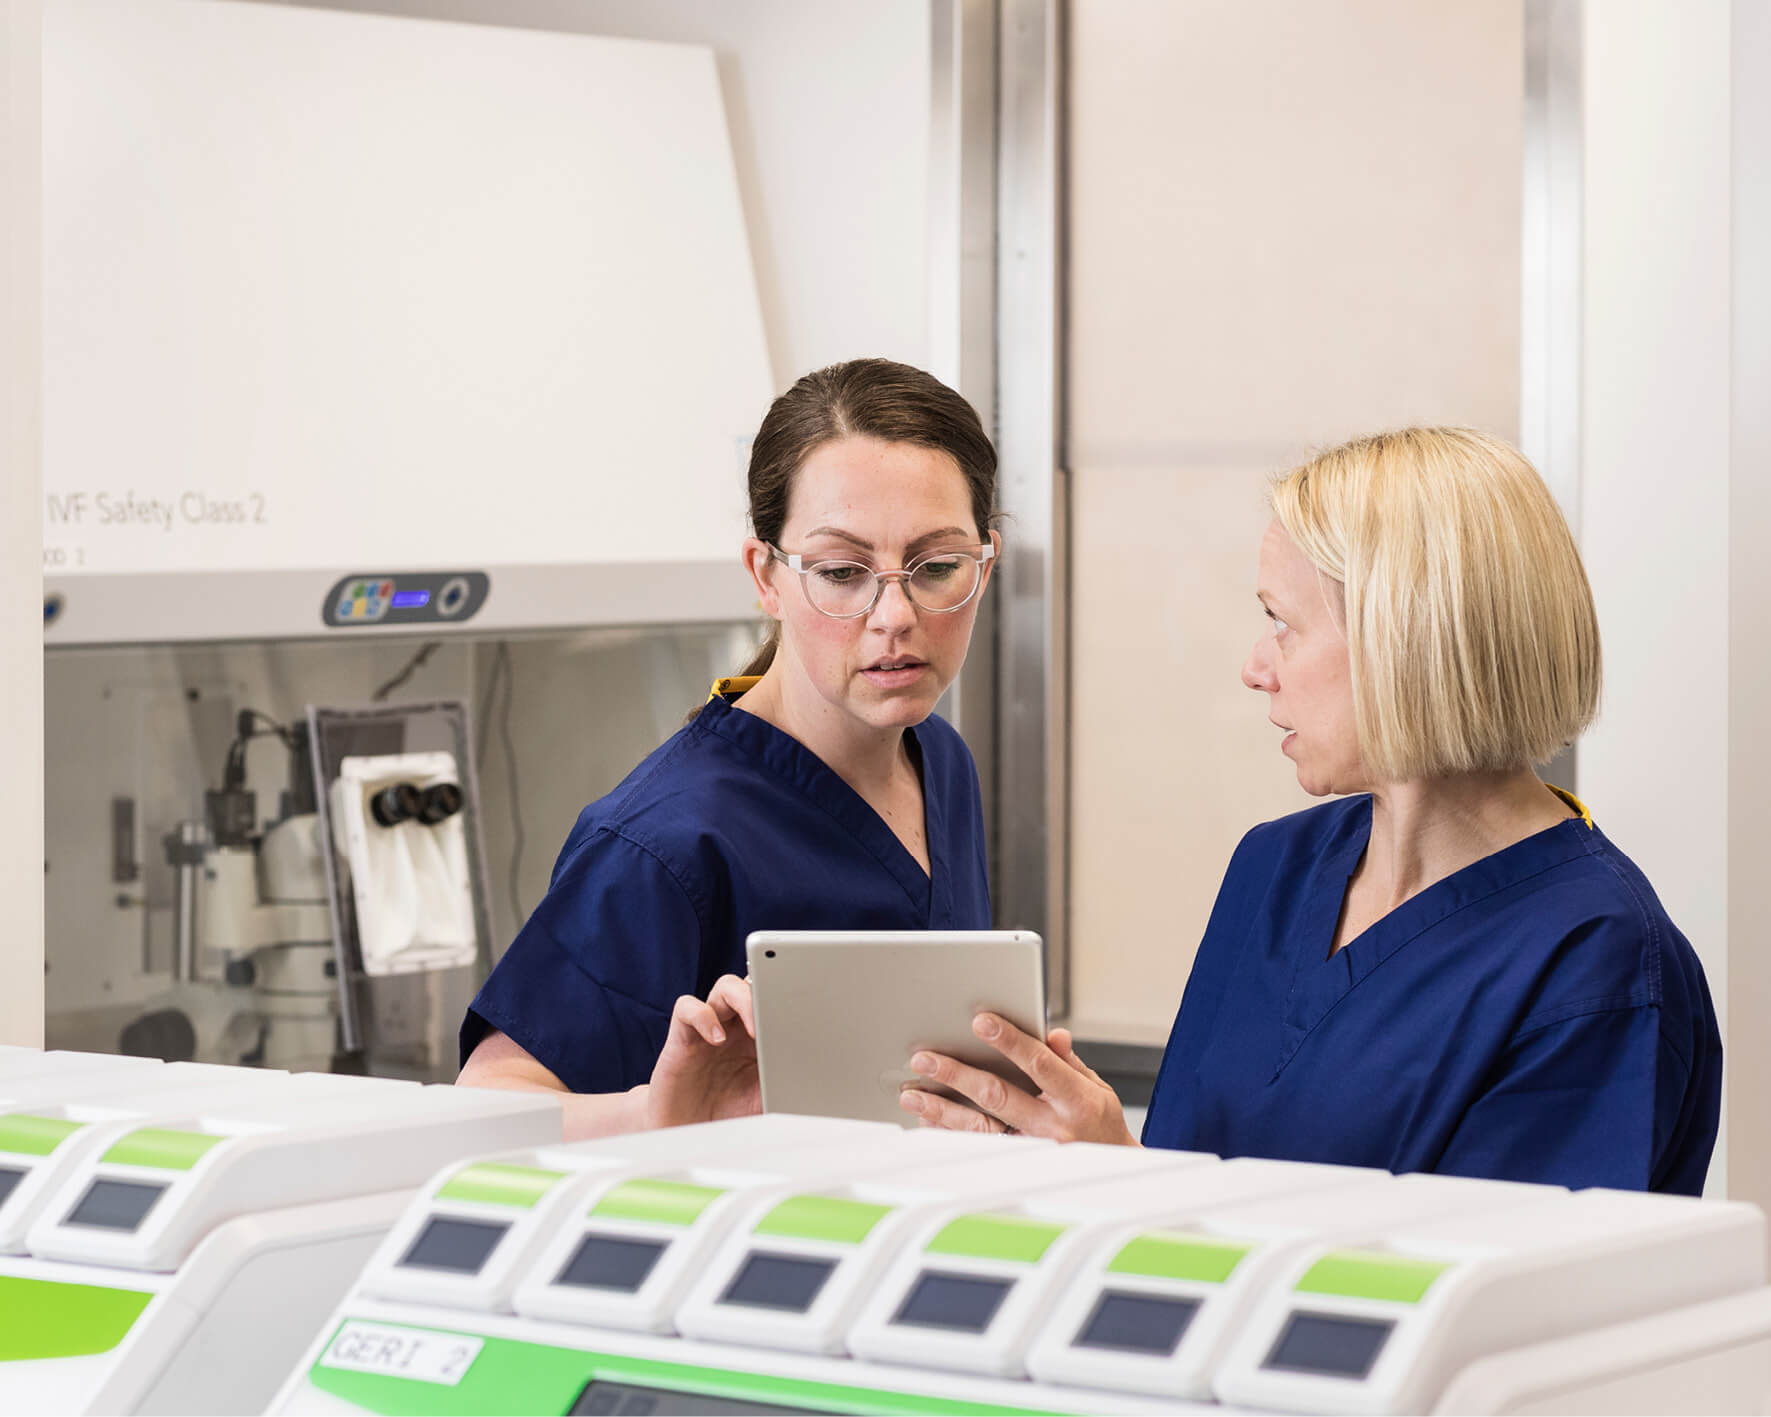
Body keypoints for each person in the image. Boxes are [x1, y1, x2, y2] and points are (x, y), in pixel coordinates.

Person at [904, 427, 1722, 1196]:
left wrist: (1125, 1179)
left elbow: (1484, 1312)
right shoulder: (1276, 866)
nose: (1255, 668)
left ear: (1406, 641)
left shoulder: (1597, 963)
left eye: (1283, 624)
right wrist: (1082, 1158)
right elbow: (1189, 1177)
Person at [457, 358, 1001, 1139]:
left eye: (937, 566)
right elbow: (486, 1106)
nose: (894, 614)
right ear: (765, 577)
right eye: (842, 571)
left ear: (985, 561)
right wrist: (668, 1112)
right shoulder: (666, 842)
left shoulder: (938, 761)